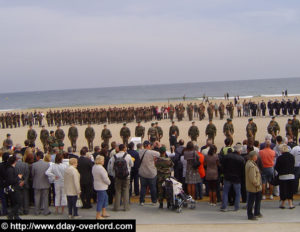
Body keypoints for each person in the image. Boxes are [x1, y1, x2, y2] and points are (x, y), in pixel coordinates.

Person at [108, 144, 133, 211]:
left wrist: (114, 174)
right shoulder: (128, 156)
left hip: (117, 176)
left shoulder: (114, 156)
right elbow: (131, 164)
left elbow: (111, 167)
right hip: (126, 176)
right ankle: (126, 207)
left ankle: (116, 207)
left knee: (118, 191)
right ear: (124, 148)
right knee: (126, 190)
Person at [220, 144, 245, 212]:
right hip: (237, 178)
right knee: (237, 193)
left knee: (225, 192)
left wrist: (224, 173)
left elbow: (222, 166)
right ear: (239, 151)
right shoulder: (241, 159)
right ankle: (236, 207)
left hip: (227, 177)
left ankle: (224, 206)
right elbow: (243, 170)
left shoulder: (227, 156)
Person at [138, 141, 160, 206]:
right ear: (148, 145)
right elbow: (159, 153)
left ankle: (142, 201)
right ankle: (154, 201)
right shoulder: (151, 152)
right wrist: (158, 145)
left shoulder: (140, 151)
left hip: (142, 172)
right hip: (151, 173)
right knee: (153, 187)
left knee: (143, 187)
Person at [275, 144, 295, 209]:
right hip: (291, 175)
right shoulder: (292, 156)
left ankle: (283, 204)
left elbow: (277, 167)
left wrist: (280, 172)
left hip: (283, 176)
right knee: (290, 190)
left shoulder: (280, 158)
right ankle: (290, 204)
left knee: (283, 190)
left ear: (281, 150)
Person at [31, 151, 51, 216]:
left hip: (37, 183)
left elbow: (32, 174)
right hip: (45, 182)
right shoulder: (47, 164)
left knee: (37, 197)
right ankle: (46, 211)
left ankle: (37, 211)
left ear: (37, 157)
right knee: (45, 197)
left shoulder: (34, 165)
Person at [245, 151, 263, 220]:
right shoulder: (251, 166)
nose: (257, 157)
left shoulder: (250, 163)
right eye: (256, 156)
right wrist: (257, 184)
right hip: (254, 187)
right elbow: (253, 178)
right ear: (253, 157)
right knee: (251, 201)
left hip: (254, 187)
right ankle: (250, 215)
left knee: (256, 200)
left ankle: (257, 212)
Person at [92, 155, 111, 219]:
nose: (104, 161)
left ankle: (103, 212)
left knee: (105, 198)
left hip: (97, 185)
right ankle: (98, 215)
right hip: (102, 186)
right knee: (101, 200)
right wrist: (109, 182)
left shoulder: (94, 167)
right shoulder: (101, 168)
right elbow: (105, 178)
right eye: (103, 160)